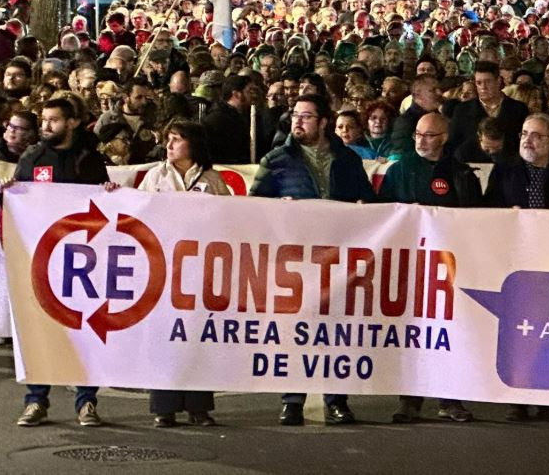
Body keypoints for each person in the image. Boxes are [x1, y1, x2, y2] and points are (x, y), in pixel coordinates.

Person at [249, 94, 373, 426]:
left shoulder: (346, 160)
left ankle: (336, 400)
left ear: (323, 122)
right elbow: (253, 207)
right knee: (296, 329)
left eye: (306, 116)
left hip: (337, 256)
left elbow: (368, 201)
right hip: (294, 259)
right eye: (295, 117)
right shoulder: (275, 160)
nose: (298, 122)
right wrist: (278, 210)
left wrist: (362, 208)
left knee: (336, 330)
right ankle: (292, 399)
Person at [485, 113, 549, 422]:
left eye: (536, 135)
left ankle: (547, 398)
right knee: (518, 332)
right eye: (524, 133)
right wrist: (507, 216)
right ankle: (516, 398)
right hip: (515, 263)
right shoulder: (505, 171)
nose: (528, 140)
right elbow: (486, 209)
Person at [13, 99, 109, 428]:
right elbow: (17, 207)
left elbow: (107, 206)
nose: (46, 126)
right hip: (44, 260)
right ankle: (36, 400)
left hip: (84, 262)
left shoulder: (90, 159)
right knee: (42, 330)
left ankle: (86, 403)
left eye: (54, 120)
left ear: (71, 123)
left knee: (84, 333)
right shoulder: (33, 158)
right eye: (44, 120)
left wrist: (111, 192)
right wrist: (7, 194)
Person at [380, 112, 481, 424]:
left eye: (430, 136)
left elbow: (477, 217)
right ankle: (409, 399)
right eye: (419, 135)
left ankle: (450, 397)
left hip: (449, 266)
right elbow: (381, 213)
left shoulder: (460, 172)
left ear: (445, 138)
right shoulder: (399, 171)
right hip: (411, 264)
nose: (423, 141)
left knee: (449, 332)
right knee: (413, 333)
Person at [135, 121, 228, 426]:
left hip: (201, 270)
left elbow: (231, 218)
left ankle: (199, 408)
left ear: (193, 145)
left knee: (198, 338)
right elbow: (136, 214)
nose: (170, 145)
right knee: (164, 338)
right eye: (168, 140)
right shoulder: (155, 176)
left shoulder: (212, 179)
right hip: (163, 269)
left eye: (177, 140)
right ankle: (164, 407)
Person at [448, 61, 528, 157]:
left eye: (488, 82)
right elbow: (454, 144)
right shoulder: (462, 110)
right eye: (479, 83)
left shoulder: (518, 109)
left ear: (498, 81)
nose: (483, 87)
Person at [202, 74, 251, 164]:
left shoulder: (244, 115)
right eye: (249, 91)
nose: (254, 95)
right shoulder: (217, 120)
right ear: (236, 94)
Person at [391, 73, 442, 158]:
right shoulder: (405, 123)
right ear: (418, 95)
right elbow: (403, 155)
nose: (439, 93)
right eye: (433, 90)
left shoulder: (442, 116)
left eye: (439, 89)